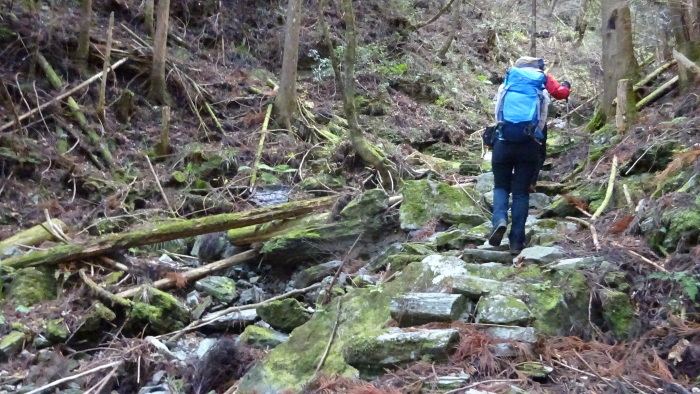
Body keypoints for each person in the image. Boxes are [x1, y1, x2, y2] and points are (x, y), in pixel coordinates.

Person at [487, 56, 570, 255]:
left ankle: (499, 219)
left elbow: (498, 114)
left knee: (500, 186)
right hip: (529, 145)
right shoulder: (541, 89)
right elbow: (542, 120)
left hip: (503, 142)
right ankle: (517, 241)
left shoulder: (506, 86)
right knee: (521, 193)